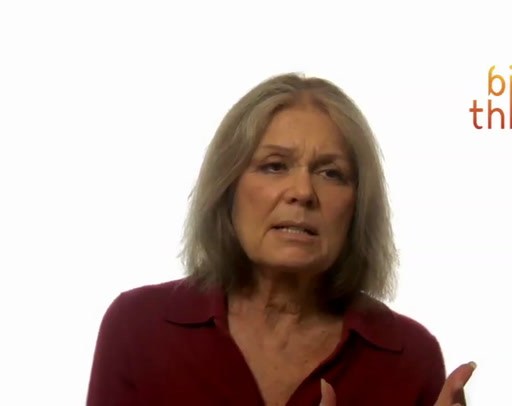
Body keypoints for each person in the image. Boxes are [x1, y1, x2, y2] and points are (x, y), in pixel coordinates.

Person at [86, 73, 476, 405]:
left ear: (358, 206)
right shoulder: (139, 327)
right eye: (274, 166)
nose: (302, 192)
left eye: (331, 173)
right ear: (228, 189)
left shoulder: (408, 356)